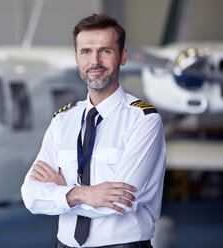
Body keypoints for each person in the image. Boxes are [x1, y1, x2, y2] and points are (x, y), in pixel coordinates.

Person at [21, 13, 166, 248]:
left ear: (123, 56)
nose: (95, 61)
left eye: (105, 51)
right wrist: (80, 194)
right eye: (86, 51)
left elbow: (122, 202)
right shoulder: (62, 120)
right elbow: (30, 195)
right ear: (76, 58)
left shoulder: (143, 119)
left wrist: (61, 192)